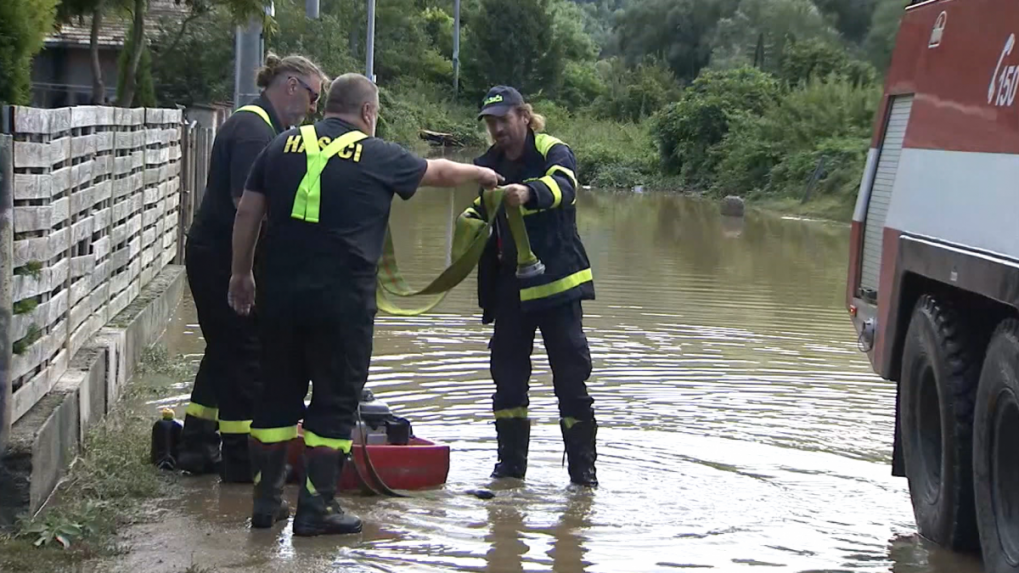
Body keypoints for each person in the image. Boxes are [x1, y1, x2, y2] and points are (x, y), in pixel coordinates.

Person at [228, 73, 503, 535]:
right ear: (369, 112)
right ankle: (317, 509)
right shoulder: (378, 154)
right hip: (342, 304)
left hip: (278, 298)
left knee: (275, 396)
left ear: (328, 105)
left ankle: (266, 503)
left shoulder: (279, 147)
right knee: (335, 402)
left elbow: (248, 212)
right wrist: (481, 173)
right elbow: (435, 172)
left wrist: (241, 274)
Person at [177, 53, 328, 482]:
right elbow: (247, 205)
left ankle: (197, 443)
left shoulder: (269, 128)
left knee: (224, 348)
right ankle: (242, 462)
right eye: (314, 96)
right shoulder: (251, 129)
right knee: (245, 354)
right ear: (293, 85)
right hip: (219, 258)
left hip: (221, 254)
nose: (314, 107)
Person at [461, 85, 598, 487]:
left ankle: (583, 475)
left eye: (504, 119)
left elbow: (565, 187)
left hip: (558, 288)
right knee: (506, 379)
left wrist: (529, 192)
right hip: (510, 292)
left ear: (524, 115)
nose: (498, 129)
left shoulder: (553, 151)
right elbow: (482, 213)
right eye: (491, 123)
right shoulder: (487, 166)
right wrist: (468, 225)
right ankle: (509, 470)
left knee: (571, 380)